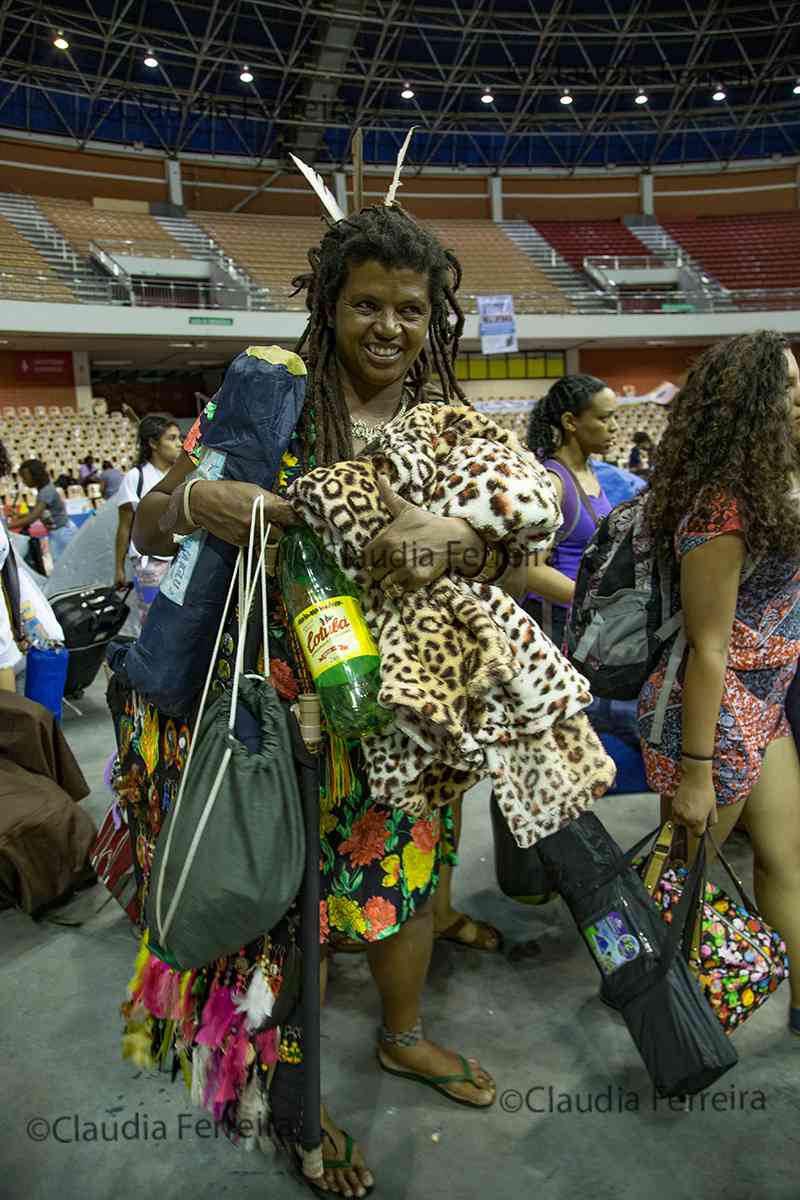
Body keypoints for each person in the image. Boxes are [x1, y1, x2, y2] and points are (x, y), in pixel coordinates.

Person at [113, 206, 543, 1197]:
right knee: (267, 903)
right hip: (269, 716)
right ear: (327, 306)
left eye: (408, 308)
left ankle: (402, 1037)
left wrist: (444, 548)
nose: (388, 326)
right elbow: (144, 527)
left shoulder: (454, 432)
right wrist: (195, 502)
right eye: (365, 304)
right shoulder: (271, 408)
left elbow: (515, 555)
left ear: (433, 318)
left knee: (401, 891)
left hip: (395, 718)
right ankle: (280, 1100)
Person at [638, 330, 800, 1038]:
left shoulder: (770, 484)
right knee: (682, 888)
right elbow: (707, 649)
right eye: (789, 389)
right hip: (715, 716)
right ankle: (667, 1016)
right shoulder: (718, 509)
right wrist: (697, 775)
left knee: (785, 859)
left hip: (764, 705)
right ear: (755, 404)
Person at [523, 375, 618, 647]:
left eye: (615, 418)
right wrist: (592, 603)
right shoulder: (553, 482)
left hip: (582, 621)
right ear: (570, 422)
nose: (614, 428)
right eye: (604, 419)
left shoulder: (589, 472)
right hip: (555, 626)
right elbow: (530, 570)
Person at [114, 416, 181, 627]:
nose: (179, 443)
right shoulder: (136, 477)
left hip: (181, 559)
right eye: (171, 438)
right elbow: (125, 525)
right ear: (153, 443)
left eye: (180, 438)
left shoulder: (183, 475)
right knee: (153, 622)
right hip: (149, 563)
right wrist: (119, 567)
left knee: (180, 620)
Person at [10, 458, 77, 562]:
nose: (23, 481)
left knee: (65, 564)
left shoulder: (46, 492)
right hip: (57, 532)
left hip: (62, 532)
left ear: (35, 475)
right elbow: (39, 512)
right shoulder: (43, 490)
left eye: (25, 477)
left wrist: (7, 526)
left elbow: (34, 516)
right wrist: (19, 516)